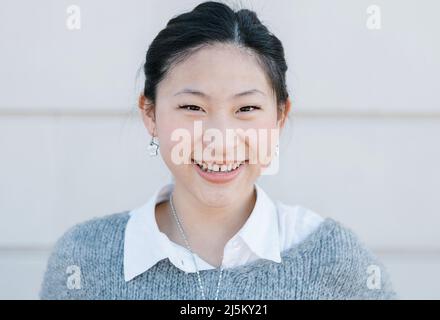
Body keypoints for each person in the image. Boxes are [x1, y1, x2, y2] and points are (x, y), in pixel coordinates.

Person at [40, 1, 396, 300]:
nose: (220, 138)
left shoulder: (334, 259)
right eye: (193, 108)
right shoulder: (83, 260)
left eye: (246, 109)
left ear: (280, 116)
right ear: (149, 114)